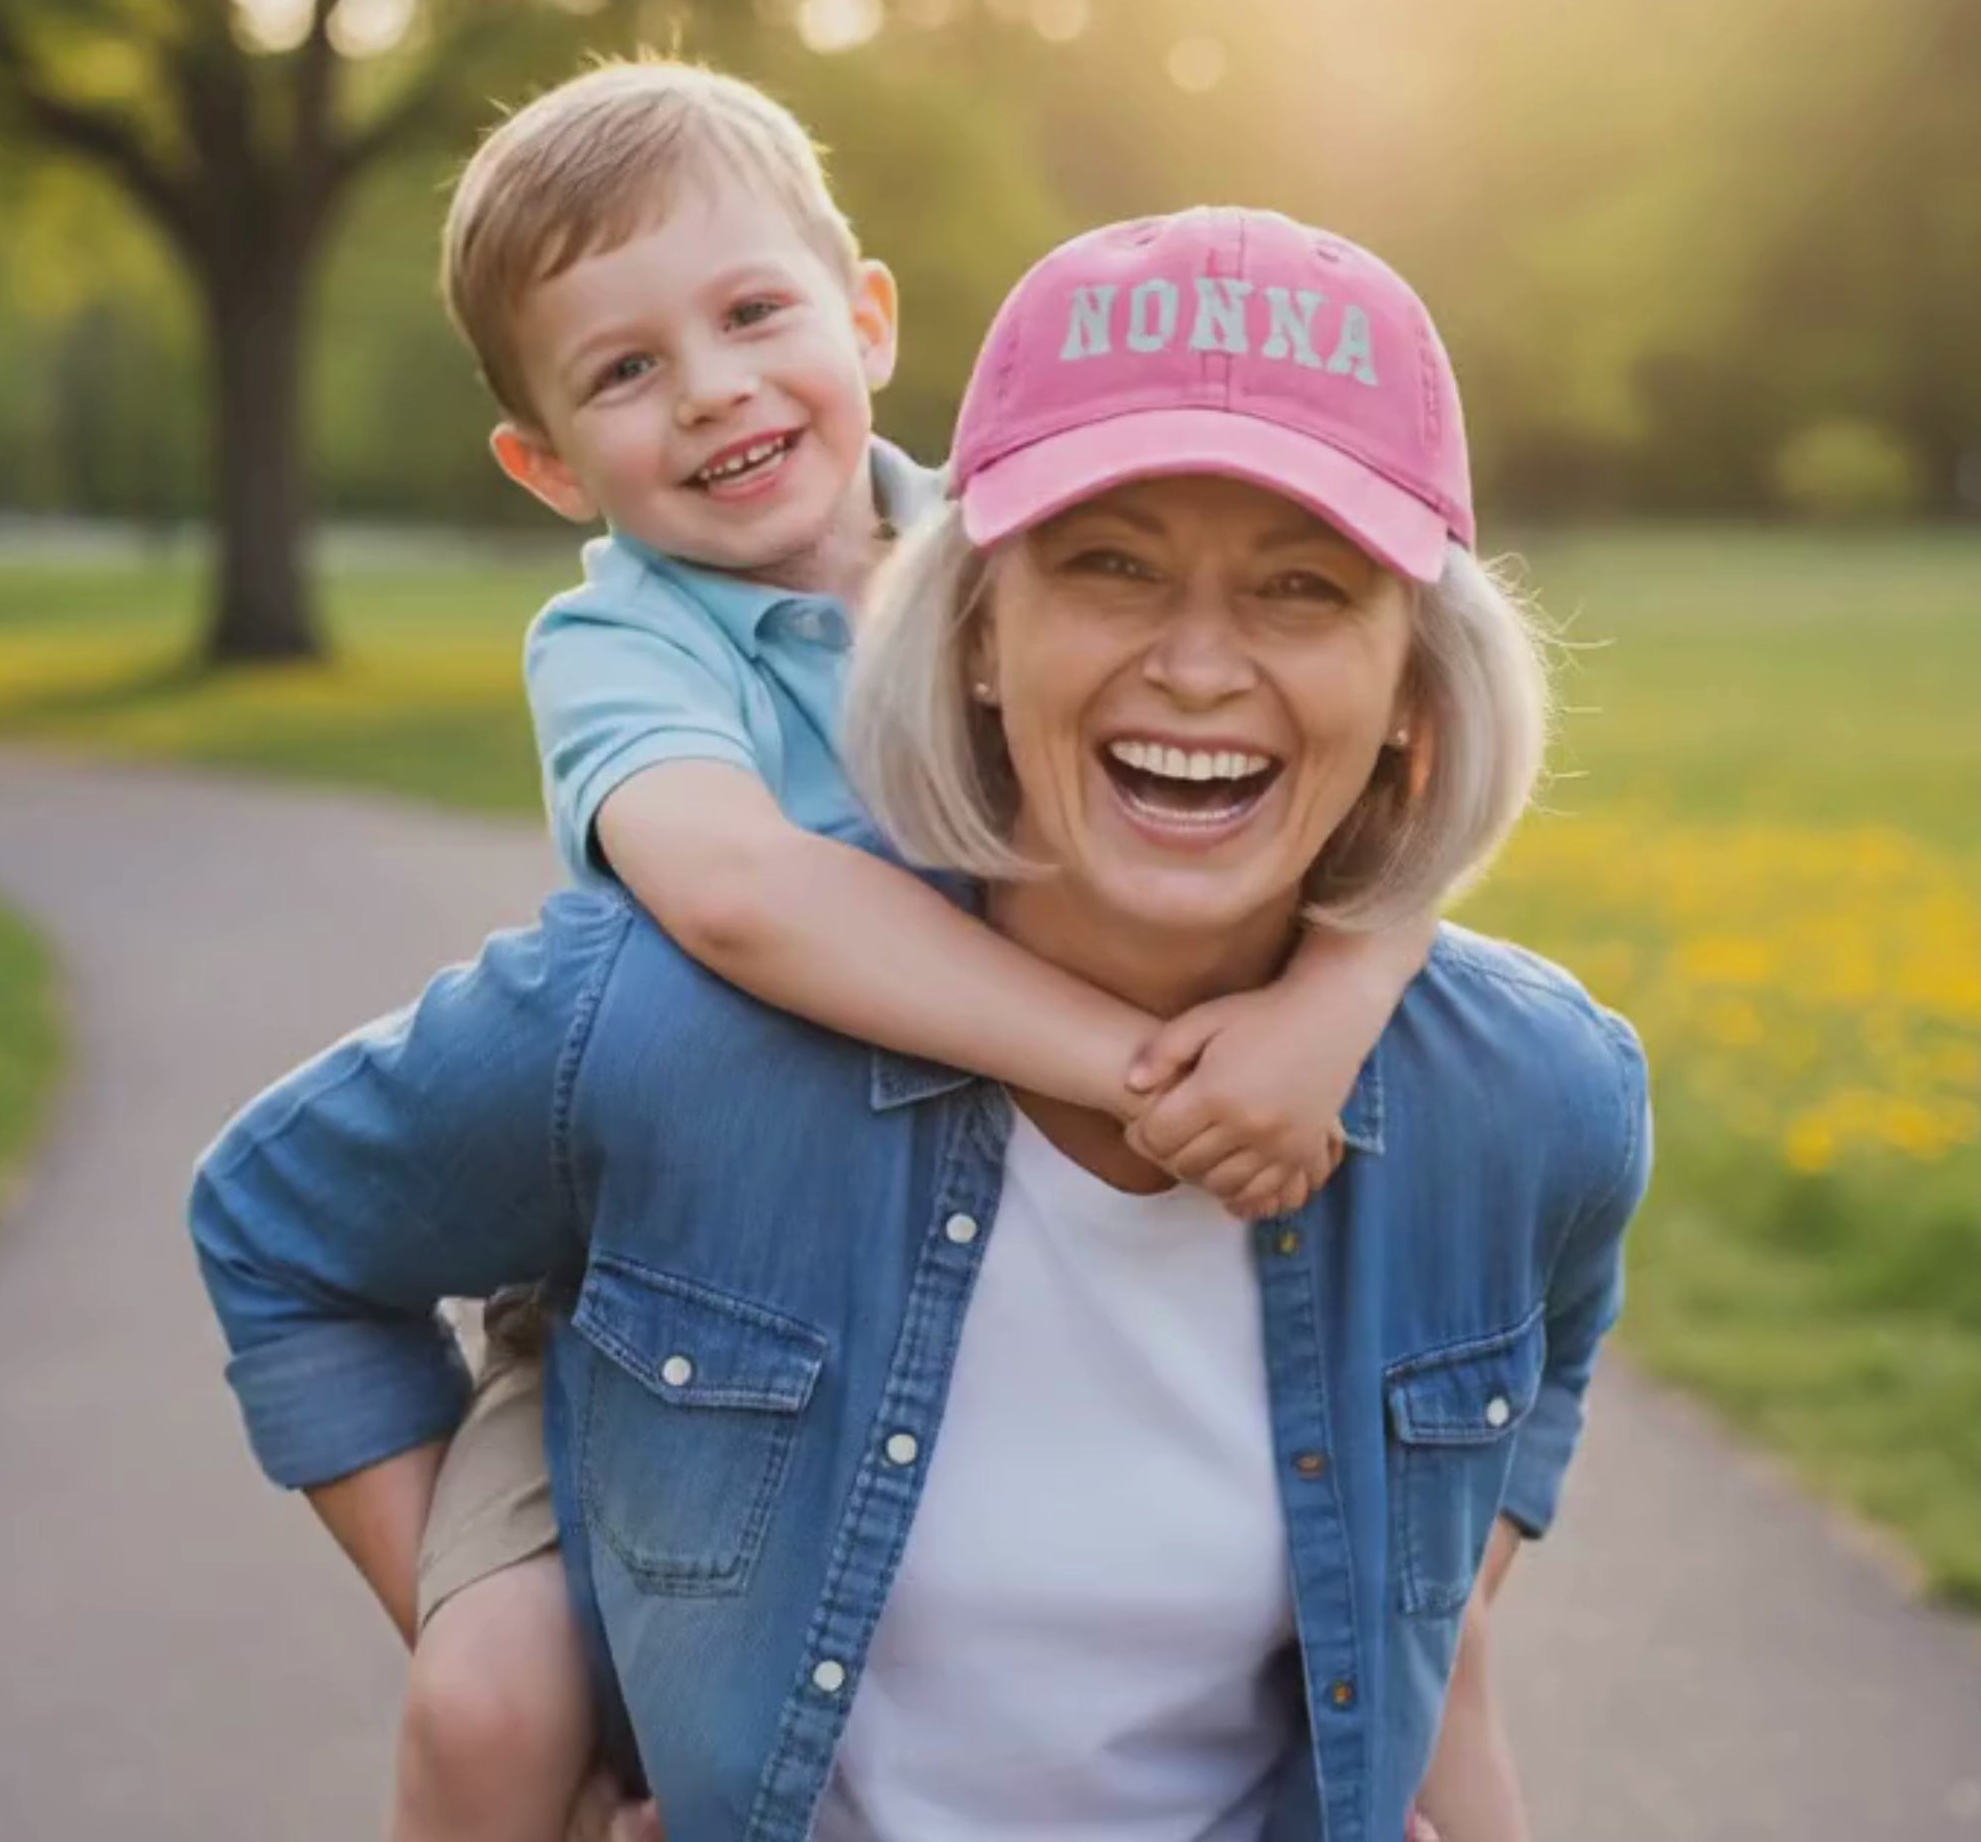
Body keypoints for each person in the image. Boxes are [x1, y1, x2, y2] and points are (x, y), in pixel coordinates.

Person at [191, 206, 1650, 1842]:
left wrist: (1413, 1653)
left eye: (1304, 590)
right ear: (967, 634)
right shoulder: (659, 1026)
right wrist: (550, 1704)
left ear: (1413, 699)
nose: (1194, 664)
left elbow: (1538, 1382)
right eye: (1109, 564)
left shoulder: (1535, 1099)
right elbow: (281, 1230)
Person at [395, 66, 1431, 1840]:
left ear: (865, 316)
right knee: (491, 1704)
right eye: (625, 370)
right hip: (679, 1275)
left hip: (1003, 1234)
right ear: (545, 460)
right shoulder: (623, 646)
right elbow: (734, 892)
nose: (712, 388)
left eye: (750, 314)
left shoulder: (1025, 541)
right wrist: (1126, 1061)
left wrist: (1330, 1006)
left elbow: (1391, 799)